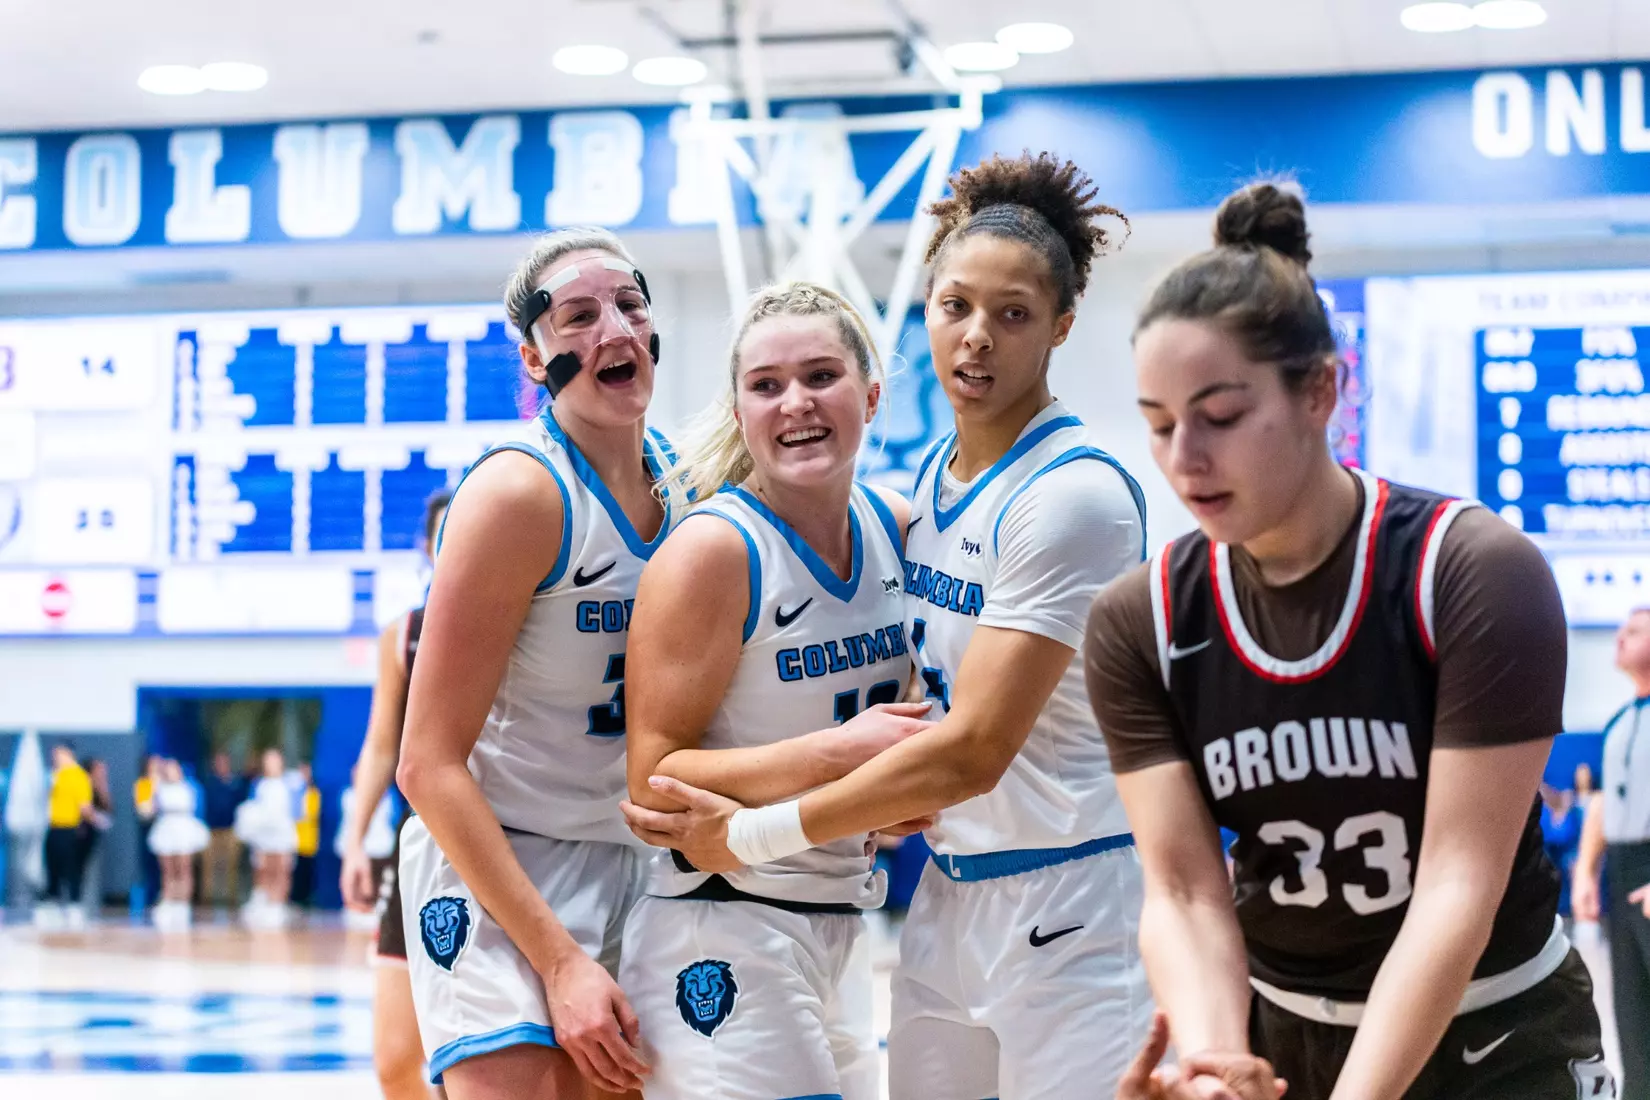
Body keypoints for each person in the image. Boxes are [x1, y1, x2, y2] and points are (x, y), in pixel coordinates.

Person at [621, 152, 1155, 1099]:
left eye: (1014, 313)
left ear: (1062, 325)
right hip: (850, 905)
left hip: (1066, 895)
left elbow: (968, 750)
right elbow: (657, 776)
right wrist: (850, 764)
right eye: (955, 308)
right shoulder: (917, 499)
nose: (978, 339)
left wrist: (766, 825)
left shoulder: (1048, 499)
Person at [1084, 182, 1609, 1100]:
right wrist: (1219, 1063)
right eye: (1160, 425)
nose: (1184, 459)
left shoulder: (1474, 570)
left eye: (1221, 416)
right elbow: (1183, 891)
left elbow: (1457, 885)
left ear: (1324, 388)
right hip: (1288, 1032)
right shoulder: (1142, 619)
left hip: (1497, 1033)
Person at [621, 283, 932, 1099]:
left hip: (840, 920)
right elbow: (650, 774)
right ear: (738, 412)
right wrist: (842, 756)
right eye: (765, 385)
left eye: (821, 375)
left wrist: (889, 798)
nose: (796, 403)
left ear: (871, 393)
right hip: (719, 922)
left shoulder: (896, 527)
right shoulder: (715, 551)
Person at [396, 226, 674, 1097]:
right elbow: (424, 762)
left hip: (633, 861)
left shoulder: (694, 487)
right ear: (534, 357)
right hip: (498, 860)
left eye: (629, 306)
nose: (614, 331)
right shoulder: (517, 494)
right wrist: (556, 963)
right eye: (579, 316)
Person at [339, 487, 449, 1100]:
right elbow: (381, 745)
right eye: (441, 535)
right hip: (417, 858)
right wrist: (354, 843)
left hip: (505, 853)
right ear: (427, 550)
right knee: (395, 1064)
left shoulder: (521, 622)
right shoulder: (404, 635)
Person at [1574, 607, 1650, 1100]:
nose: (1620, 637)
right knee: (1631, 1010)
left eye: (1635, 629)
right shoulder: (1619, 721)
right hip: (1622, 872)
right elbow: (1601, 802)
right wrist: (1584, 871)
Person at [235, 747, 298, 929]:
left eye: (275, 760)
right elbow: (251, 808)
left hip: (283, 831)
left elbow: (297, 810)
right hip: (264, 833)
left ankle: (278, 904)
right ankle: (266, 901)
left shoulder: (290, 784)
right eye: (268, 761)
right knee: (264, 868)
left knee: (282, 868)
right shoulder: (258, 785)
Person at [148, 758, 210, 931]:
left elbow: (198, 809)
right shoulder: (160, 788)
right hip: (166, 828)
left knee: (183, 868)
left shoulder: (190, 787)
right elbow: (150, 810)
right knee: (168, 870)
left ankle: (183, 905)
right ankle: (169, 902)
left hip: (184, 829)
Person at [38, 742, 92, 929]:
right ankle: (51, 901)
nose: (55, 758)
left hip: (70, 828)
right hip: (53, 826)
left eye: (58, 754)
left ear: (68, 754)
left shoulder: (78, 776)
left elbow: (85, 806)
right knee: (52, 867)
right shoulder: (55, 775)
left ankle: (74, 904)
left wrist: (91, 821)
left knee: (71, 868)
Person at [201, 751, 247, 908]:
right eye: (218, 762)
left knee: (231, 866)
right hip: (212, 831)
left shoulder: (236, 785)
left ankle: (231, 899)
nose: (221, 765)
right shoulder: (209, 784)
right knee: (209, 867)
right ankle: (207, 899)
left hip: (230, 831)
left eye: (224, 762)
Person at [77, 757, 114, 912]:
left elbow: (108, 808)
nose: (103, 772)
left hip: (95, 834)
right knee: (80, 869)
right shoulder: (82, 784)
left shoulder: (100, 787)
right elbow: (84, 809)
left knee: (93, 871)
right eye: (99, 769)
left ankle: (91, 904)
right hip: (81, 832)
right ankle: (79, 903)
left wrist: (103, 786)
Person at [292, 762, 322, 907]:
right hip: (296, 840)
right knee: (296, 873)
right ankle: (295, 899)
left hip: (309, 840)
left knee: (307, 873)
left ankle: (306, 900)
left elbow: (311, 814)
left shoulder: (314, 794)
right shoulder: (296, 793)